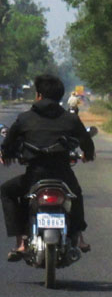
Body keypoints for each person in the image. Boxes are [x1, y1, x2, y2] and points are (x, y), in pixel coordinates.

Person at [1, 74, 95, 260]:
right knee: (75, 194)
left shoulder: (25, 118)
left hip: (34, 176)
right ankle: (79, 237)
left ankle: (21, 242)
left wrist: (7, 155)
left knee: (6, 191)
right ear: (60, 96)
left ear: (38, 96)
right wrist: (87, 155)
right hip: (63, 175)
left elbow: (9, 145)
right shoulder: (70, 119)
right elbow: (86, 143)